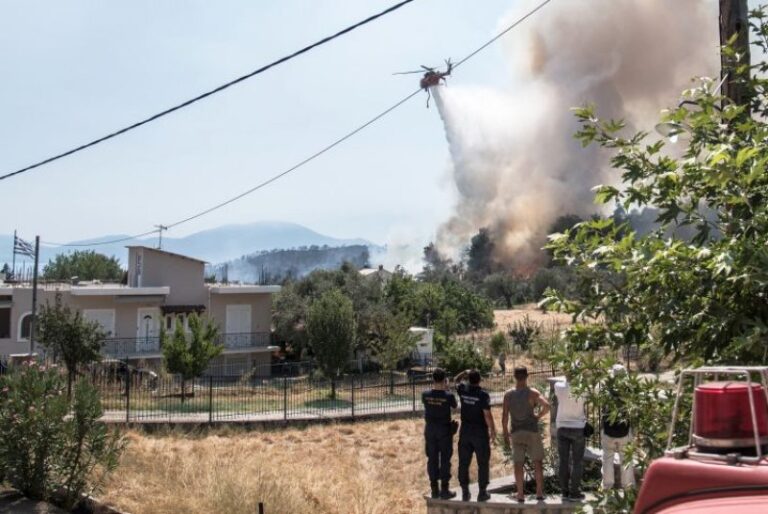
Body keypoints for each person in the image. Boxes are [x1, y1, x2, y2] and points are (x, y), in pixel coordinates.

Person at [502, 366, 550, 503]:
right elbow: (546, 405)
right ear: (527, 376)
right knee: (538, 463)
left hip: (516, 432)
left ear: (514, 376)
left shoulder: (508, 395)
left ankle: (520, 494)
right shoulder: (532, 392)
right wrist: (537, 416)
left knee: (518, 464)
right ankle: (539, 493)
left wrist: (506, 434)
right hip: (531, 432)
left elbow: (504, 417)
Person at [454, 369, 497, 502]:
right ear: (479, 380)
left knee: (463, 463)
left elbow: (455, 380)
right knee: (483, 462)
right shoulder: (483, 395)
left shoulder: (463, 389)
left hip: (465, 432)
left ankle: (465, 492)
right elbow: (487, 415)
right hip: (480, 433)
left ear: (468, 379)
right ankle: (482, 492)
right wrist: (493, 430)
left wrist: (464, 372)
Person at [422, 368, 458, 499]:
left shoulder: (425, 394)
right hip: (444, 431)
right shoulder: (448, 395)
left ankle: (434, 489)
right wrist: (447, 389)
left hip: (430, 430)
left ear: (432, 379)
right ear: (444, 380)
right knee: (445, 459)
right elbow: (455, 406)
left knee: (432, 459)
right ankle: (444, 489)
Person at [601, 364, 635, 490]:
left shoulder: (606, 389)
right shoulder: (628, 389)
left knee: (607, 458)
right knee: (626, 459)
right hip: (624, 430)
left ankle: (607, 486)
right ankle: (628, 486)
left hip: (608, 429)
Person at [554, 373, 587, 501]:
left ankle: (564, 491)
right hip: (578, 426)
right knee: (577, 461)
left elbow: (561, 380)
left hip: (562, 426)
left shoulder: (559, 387)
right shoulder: (583, 388)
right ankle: (575, 492)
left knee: (563, 461)